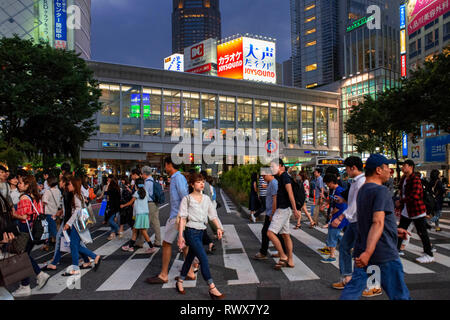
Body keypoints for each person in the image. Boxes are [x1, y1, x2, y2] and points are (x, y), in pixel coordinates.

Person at [340, 154, 411, 300]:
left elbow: (370, 219)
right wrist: (369, 252)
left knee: (353, 289)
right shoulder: (381, 190)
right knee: (400, 294)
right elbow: (377, 222)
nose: (389, 172)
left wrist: (393, 230)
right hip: (382, 251)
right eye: (387, 168)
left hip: (363, 248)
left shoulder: (363, 190)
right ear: (379, 170)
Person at [175, 173, 225, 299]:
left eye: (202, 181)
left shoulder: (207, 199)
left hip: (202, 232)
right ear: (192, 184)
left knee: (189, 258)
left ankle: (180, 281)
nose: (202, 184)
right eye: (198, 182)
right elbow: (182, 218)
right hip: (191, 232)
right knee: (203, 259)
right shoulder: (187, 199)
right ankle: (212, 288)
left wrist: (218, 227)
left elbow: (213, 216)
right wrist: (181, 236)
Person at [146, 157, 193, 284]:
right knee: (184, 245)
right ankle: (189, 272)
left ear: (169, 165)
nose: (164, 168)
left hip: (177, 217)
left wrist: (182, 215)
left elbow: (184, 195)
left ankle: (163, 275)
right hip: (180, 216)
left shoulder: (177, 178)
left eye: (165, 165)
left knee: (166, 243)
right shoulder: (177, 177)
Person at [11, 175, 50, 297]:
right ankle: (37, 276)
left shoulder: (24, 198)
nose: (19, 184)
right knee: (24, 256)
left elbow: (23, 216)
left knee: (21, 257)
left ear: (28, 185)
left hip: (25, 231)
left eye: (21, 183)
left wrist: (13, 213)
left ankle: (26, 285)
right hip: (35, 231)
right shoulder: (37, 197)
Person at [396, 160, 434, 263]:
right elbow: (402, 193)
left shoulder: (415, 179)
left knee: (422, 232)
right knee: (400, 230)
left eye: (405, 165)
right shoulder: (404, 178)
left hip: (416, 210)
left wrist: (401, 201)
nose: (403, 167)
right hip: (407, 210)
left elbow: (415, 195)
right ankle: (395, 251)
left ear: (411, 167)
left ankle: (429, 254)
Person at [62, 176, 102, 276]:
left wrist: (68, 223)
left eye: (69, 184)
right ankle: (91, 259)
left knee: (73, 246)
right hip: (78, 223)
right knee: (76, 246)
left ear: (74, 185)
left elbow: (77, 211)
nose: (68, 186)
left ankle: (79, 266)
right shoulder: (79, 194)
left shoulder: (76, 196)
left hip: (76, 224)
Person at [267, 159, 301, 270]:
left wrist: (295, 209)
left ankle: (283, 256)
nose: (271, 169)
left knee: (270, 233)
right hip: (284, 209)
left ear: (280, 166)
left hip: (282, 210)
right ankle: (290, 260)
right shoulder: (282, 176)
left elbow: (290, 193)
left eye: (273, 166)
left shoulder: (284, 177)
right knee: (285, 235)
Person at [253, 168, 287, 260]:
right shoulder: (271, 183)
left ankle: (264, 252)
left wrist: (272, 214)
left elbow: (275, 199)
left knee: (266, 232)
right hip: (271, 212)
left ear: (269, 174)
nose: (263, 177)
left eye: (264, 175)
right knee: (276, 234)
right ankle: (282, 252)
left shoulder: (274, 183)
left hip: (273, 213)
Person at [120, 178, 157, 254]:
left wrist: (123, 205)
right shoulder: (146, 192)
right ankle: (130, 246)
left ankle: (151, 247)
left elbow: (130, 202)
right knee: (136, 230)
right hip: (145, 214)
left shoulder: (137, 193)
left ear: (136, 185)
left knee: (140, 231)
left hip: (139, 214)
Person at [320, 174, 348, 263]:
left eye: (328, 183)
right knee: (336, 235)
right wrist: (325, 202)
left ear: (331, 182)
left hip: (338, 216)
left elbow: (340, 206)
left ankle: (332, 256)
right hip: (338, 216)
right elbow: (332, 201)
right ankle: (350, 246)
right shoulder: (335, 190)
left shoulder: (339, 191)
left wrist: (332, 214)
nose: (327, 185)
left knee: (332, 235)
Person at [135, 166, 161, 248]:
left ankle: (140, 242)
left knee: (144, 224)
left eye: (142, 173)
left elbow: (143, 194)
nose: (141, 175)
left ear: (144, 173)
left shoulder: (147, 182)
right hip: (155, 203)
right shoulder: (153, 180)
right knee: (156, 223)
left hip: (149, 204)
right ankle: (158, 241)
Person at [41, 176, 62, 251]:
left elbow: (44, 202)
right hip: (56, 213)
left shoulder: (48, 191)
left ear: (49, 183)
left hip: (49, 213)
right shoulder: (58, 191)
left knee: (53, 230)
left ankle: (60, 246)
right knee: (50, 230)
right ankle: (47, 245)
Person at [105, 176, 121, 240]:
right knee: (113, 220)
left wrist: (107, 185)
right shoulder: (117, 189)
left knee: (110, 221)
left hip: (112, 207)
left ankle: (118, 230)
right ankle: (112, 233)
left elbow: (105, 193)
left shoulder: (111, 190)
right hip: (115, 207)